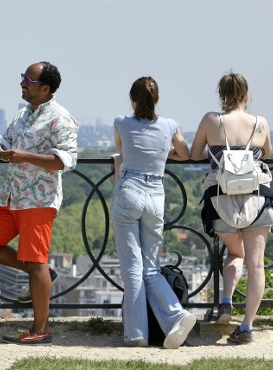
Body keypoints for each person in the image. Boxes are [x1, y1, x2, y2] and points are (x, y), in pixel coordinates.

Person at [0, 61, 78, 345]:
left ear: (45, 88)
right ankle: (43, 272)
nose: (22, 83)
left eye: (28, 80)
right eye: (23, 78)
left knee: (35, 262)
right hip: (10, 195)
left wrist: (25, 156)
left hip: (38, 199)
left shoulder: (60, 118)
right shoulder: (22, 114)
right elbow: (7, 145)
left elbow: (66, 161)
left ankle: (40, 331)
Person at [189, 71, 273, 345]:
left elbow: (194, 154)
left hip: (221, 201)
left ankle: (226, 300)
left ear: (221, 94)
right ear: (246, 95)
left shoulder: (211, 120)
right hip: (257, 199)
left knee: (234, 252)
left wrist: (218, 155)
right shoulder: (260, 123)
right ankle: (246, 327)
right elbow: (268, 153)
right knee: (256, 264)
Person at [112, 77, 195, 349]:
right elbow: (185, 153)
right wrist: (164, 151)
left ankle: (136, 334)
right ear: (157, 98)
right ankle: (175, 315)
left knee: (132, 268)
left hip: (129, 190)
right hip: (155, 194)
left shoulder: (121, 122)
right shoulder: (170, 125)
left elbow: (123, 152)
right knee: (150, 266)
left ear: (132, 99)